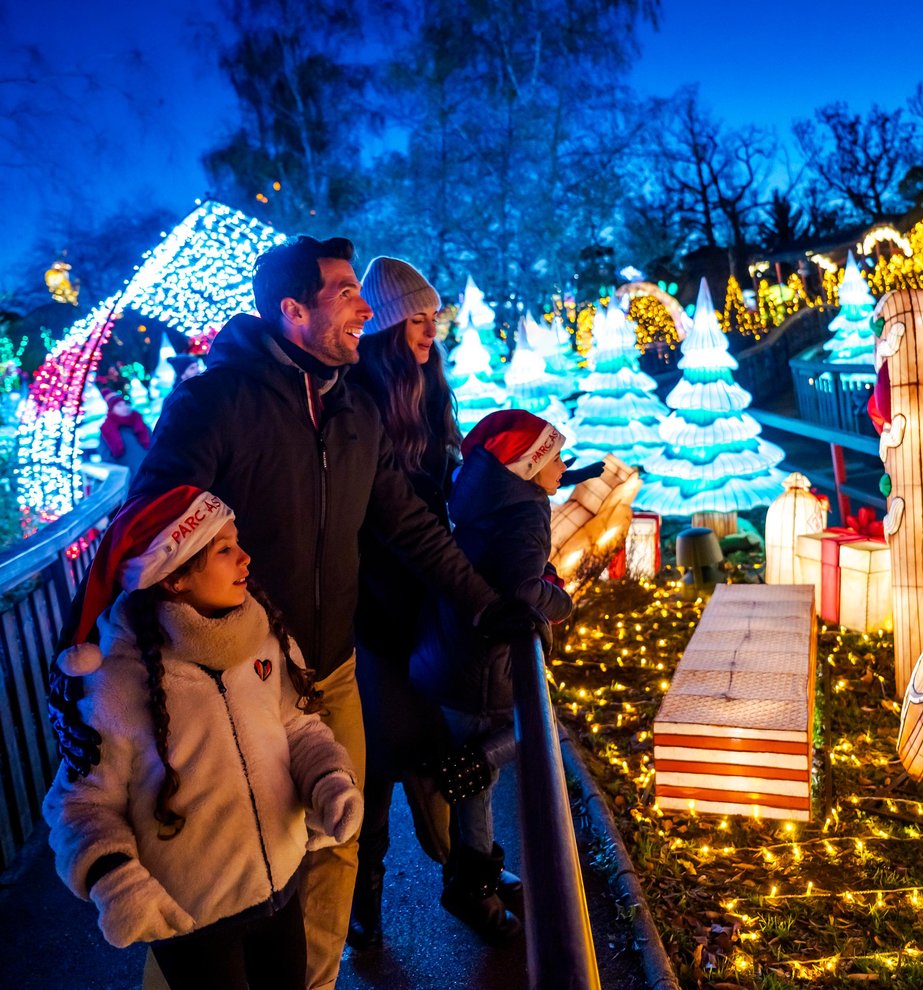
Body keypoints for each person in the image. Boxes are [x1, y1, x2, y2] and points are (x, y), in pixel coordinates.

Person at [48, 235, 542, 990]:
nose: (362, 306)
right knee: (203, 860)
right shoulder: (218, 404)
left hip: (332, 668)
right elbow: (154, 531)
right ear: (291, 311)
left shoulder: (355, 411)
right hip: (225, 673)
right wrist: (115, 676)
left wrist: (486, 605)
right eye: (344, 291)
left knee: (334, 835)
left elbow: (406, 522)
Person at [44, 486, 363, 990]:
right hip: (191, 920)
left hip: (281, 887)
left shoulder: (265, 637)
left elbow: (299, 727)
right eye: (224, 549)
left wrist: (329, 782)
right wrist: (121, 887)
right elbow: (81, 804)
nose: (246, 558)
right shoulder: (117, 680)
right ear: (174, 577)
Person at [343, 256, 477, 950]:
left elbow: (439, 485)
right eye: (419, 322)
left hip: (418, 592)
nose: (432, 334)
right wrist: (473, 592)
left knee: (413, 740)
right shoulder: (361, 398)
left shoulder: (428, 388)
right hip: (372, 599)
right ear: (391, 328)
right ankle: (365, 902)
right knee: (376, 751)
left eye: (434, 320)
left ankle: (465, 874)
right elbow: (397, 515)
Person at [410, 409, 575, 942]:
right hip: (482, 670)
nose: (562, 465)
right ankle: (471, 886)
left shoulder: (485, 499)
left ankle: (478, 870)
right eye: (553, 457)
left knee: (477, 782)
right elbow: (526, 588)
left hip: (451, 656)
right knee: (493, 762)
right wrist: (561, 600)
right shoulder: (526, 512)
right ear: (527, 466)